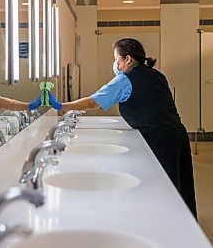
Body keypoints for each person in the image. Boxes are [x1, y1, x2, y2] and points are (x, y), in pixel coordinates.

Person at [48, 38, 197, 218]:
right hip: (177, 133)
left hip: (158, 138)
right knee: (180, 186)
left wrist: (60, 105)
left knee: (163, 188)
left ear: (127, 59)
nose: (115, 64)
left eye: (117, 59)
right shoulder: (157, 75)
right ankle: (184, 227)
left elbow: (92, 102)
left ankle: (167, 229)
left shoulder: (125, 81)